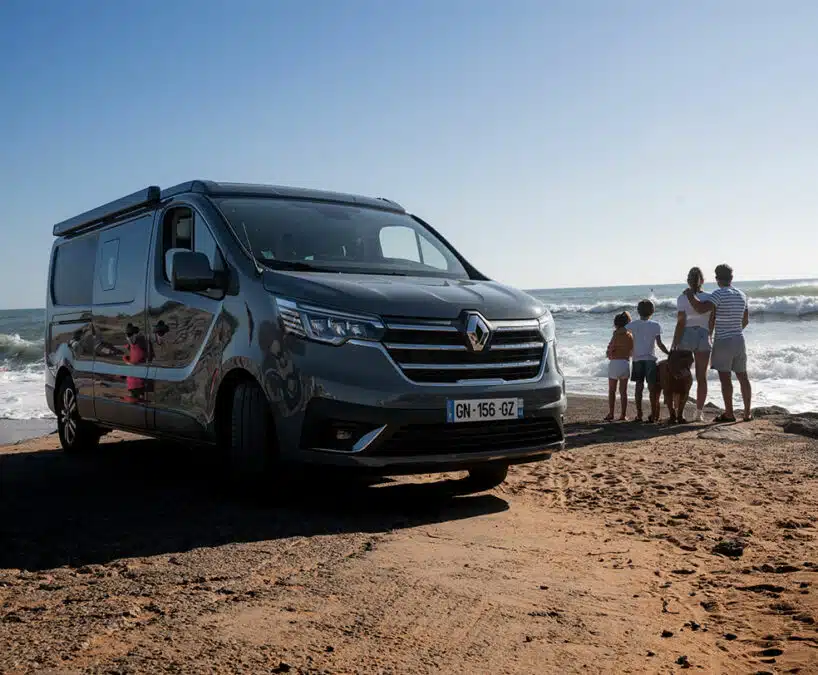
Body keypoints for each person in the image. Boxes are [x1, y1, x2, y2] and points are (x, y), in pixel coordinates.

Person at [684, 263, 751, 422]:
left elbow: (701, 308)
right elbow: (746, 320)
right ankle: (747, 413)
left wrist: (689, 295)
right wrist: (735, 329)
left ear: (717, 278)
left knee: (725, 378)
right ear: (732, 277)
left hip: (723, 340)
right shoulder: (742, 295)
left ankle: (729, 413)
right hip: (739, 339)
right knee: (743, 376)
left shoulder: (718, 294)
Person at [672, 267, 713, 422]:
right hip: (704, 335)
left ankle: (678, 412)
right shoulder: (710, 297)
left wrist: (675, 341)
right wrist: (710, 335)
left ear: (688, 280)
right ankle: (698, 413)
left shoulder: (682, 298)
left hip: (686, 335)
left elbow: (681, 322)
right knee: (702, 377)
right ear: (702, 280)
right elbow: (711, 321)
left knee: (682, 376)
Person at [627, 299, 670, 422]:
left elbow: (622, 331)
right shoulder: (656, 325)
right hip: (650, 359)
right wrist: (668, 353)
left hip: (637, 359)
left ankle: (639, 414)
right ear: (652, 311)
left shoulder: (633, 325)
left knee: (638, 386)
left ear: (638, 311)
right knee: (652, 388)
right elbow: (660, 344)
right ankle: (653, 414)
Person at [605, 311, 634, 422]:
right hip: (624, 363)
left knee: (612, 390)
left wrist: (609, 354)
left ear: (616, 324)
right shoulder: (629, 335)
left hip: (614, 363)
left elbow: (610, 349)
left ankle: (611, 413)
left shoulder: (615, 335)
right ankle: (623, 415)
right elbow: (632, 350)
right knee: (623, 392)